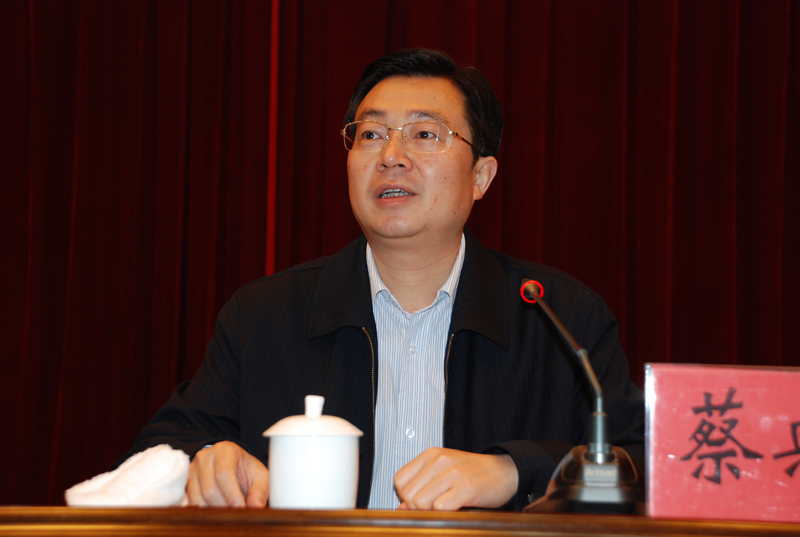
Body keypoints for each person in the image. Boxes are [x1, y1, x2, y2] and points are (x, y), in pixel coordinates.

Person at [119, 48, 644, 511]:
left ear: (481, 176)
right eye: (370, 135)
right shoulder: (264, 315)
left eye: (424, 134)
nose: (391, 157)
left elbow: (643, 466)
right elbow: (156, 455)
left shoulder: (558, 316)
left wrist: (512, 471)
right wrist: (209, 460)